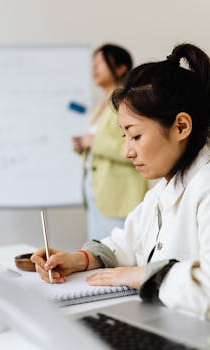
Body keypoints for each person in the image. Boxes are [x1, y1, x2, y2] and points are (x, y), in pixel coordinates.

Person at [31, 43, 210, 320]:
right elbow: (127, 243)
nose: (127, 151)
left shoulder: (205, 187)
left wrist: (140, 274)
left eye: (135, 136)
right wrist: (80, 259)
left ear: (181, 127)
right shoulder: (162, 191)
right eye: (124, 136)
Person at [72, 44, 148, 240]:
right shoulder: (102, 106)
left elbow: (136, 146)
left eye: (100, 62)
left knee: (116, 257)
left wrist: (93, 142)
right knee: (97, 253)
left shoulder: (129, 102)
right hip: (97, 196)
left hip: (119, 198)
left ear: (121, 67)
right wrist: (83, 146)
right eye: (93, 63)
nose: (93, 68)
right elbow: (103, 145)